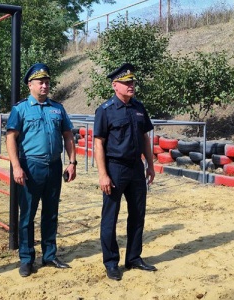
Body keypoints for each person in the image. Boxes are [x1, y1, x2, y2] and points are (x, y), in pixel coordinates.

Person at [5, 63, 77, 277]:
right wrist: (16, 167)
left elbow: (68, 135)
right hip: (30, 166)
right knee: (27, 215)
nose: (45, 86)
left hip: (54, 166)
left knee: (51, 213)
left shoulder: (58, 108)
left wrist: (72, 162)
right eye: (40, 82)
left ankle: (49, 254)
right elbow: (11, 138)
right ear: (30, 85)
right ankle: (27, 259)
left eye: (47, 82)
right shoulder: (20, 109)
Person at [93, 63, 157, 281]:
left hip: (136, 168)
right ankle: (111, 262)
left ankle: (134, 257)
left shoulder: (139, 107)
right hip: (115, 167)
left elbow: (145, 138)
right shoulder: (105, 110)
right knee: (110, 217)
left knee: (138, 214)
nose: (131, 86)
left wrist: (150, 164)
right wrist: (103, 174)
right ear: (115, 85)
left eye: (132, 82)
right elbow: (99, 142)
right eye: (127, 82)